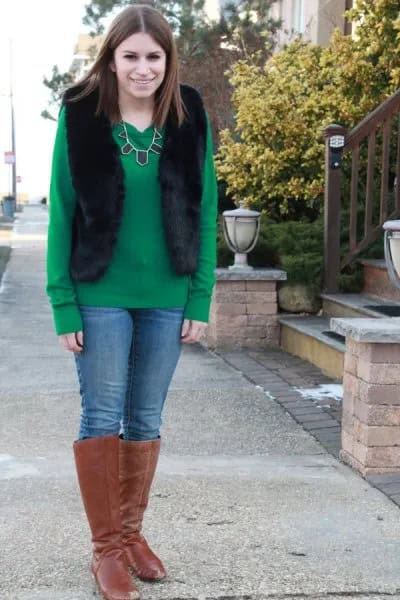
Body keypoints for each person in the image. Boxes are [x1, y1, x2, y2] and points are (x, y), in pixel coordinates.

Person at [46, 4, 218, 600]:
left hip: (168, 294)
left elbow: (207, 211)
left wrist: (200, 298)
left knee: (146, 420)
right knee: (102, 418)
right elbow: (62, 213)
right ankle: (106, 553)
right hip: (99, 293)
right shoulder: (80, 117)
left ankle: (129, 535)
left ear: (167, 60)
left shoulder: (190, 114)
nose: (143, 68)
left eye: (153, 56)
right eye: (131, 56)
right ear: (112, 60)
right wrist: (63, 303)